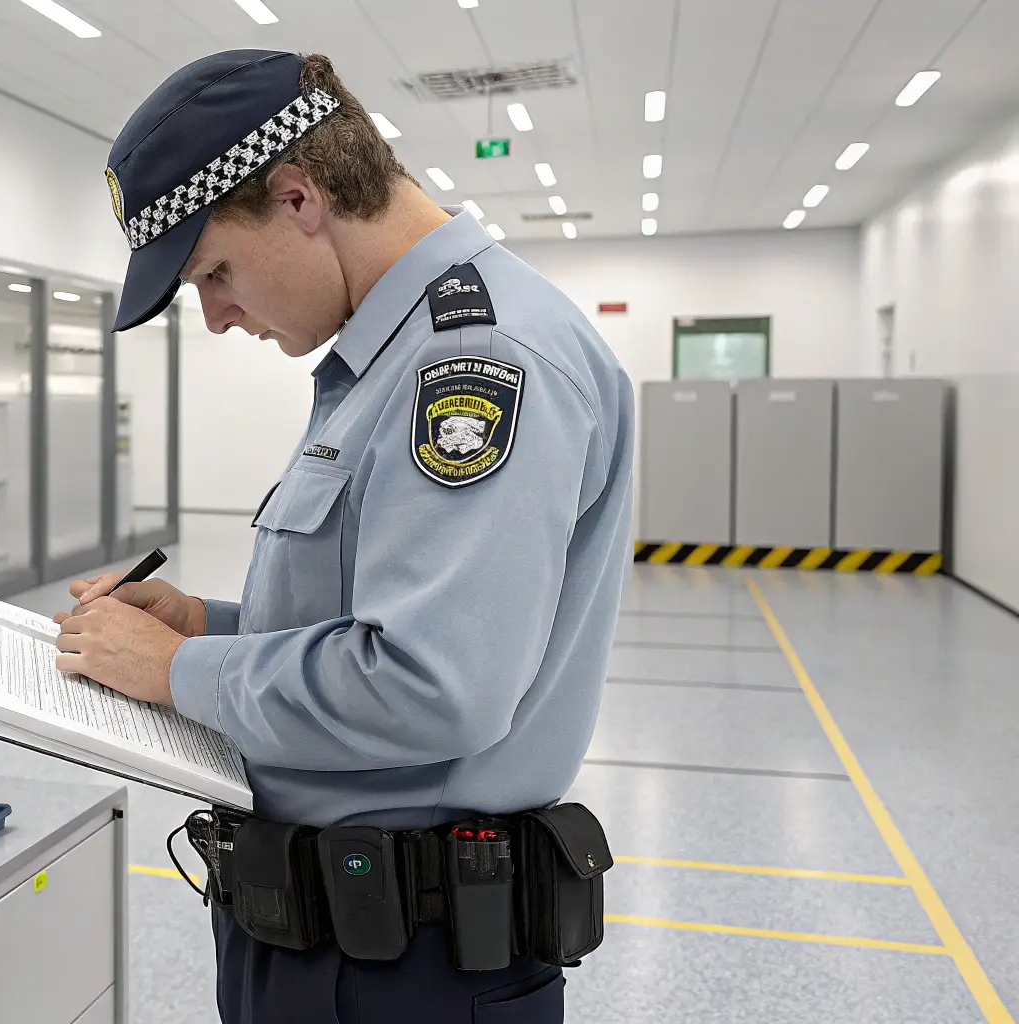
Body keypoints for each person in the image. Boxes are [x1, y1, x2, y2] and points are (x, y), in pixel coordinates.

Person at [52, 49, 634, 1023]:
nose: (216, 317)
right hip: (329, 936)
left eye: (213, 272)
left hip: (404, 967)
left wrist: (177, 670)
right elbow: (363, 619)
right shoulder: (390, 357)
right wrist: (199, 620)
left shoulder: (471, 359)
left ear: (296, 198)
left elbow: (429, 684)